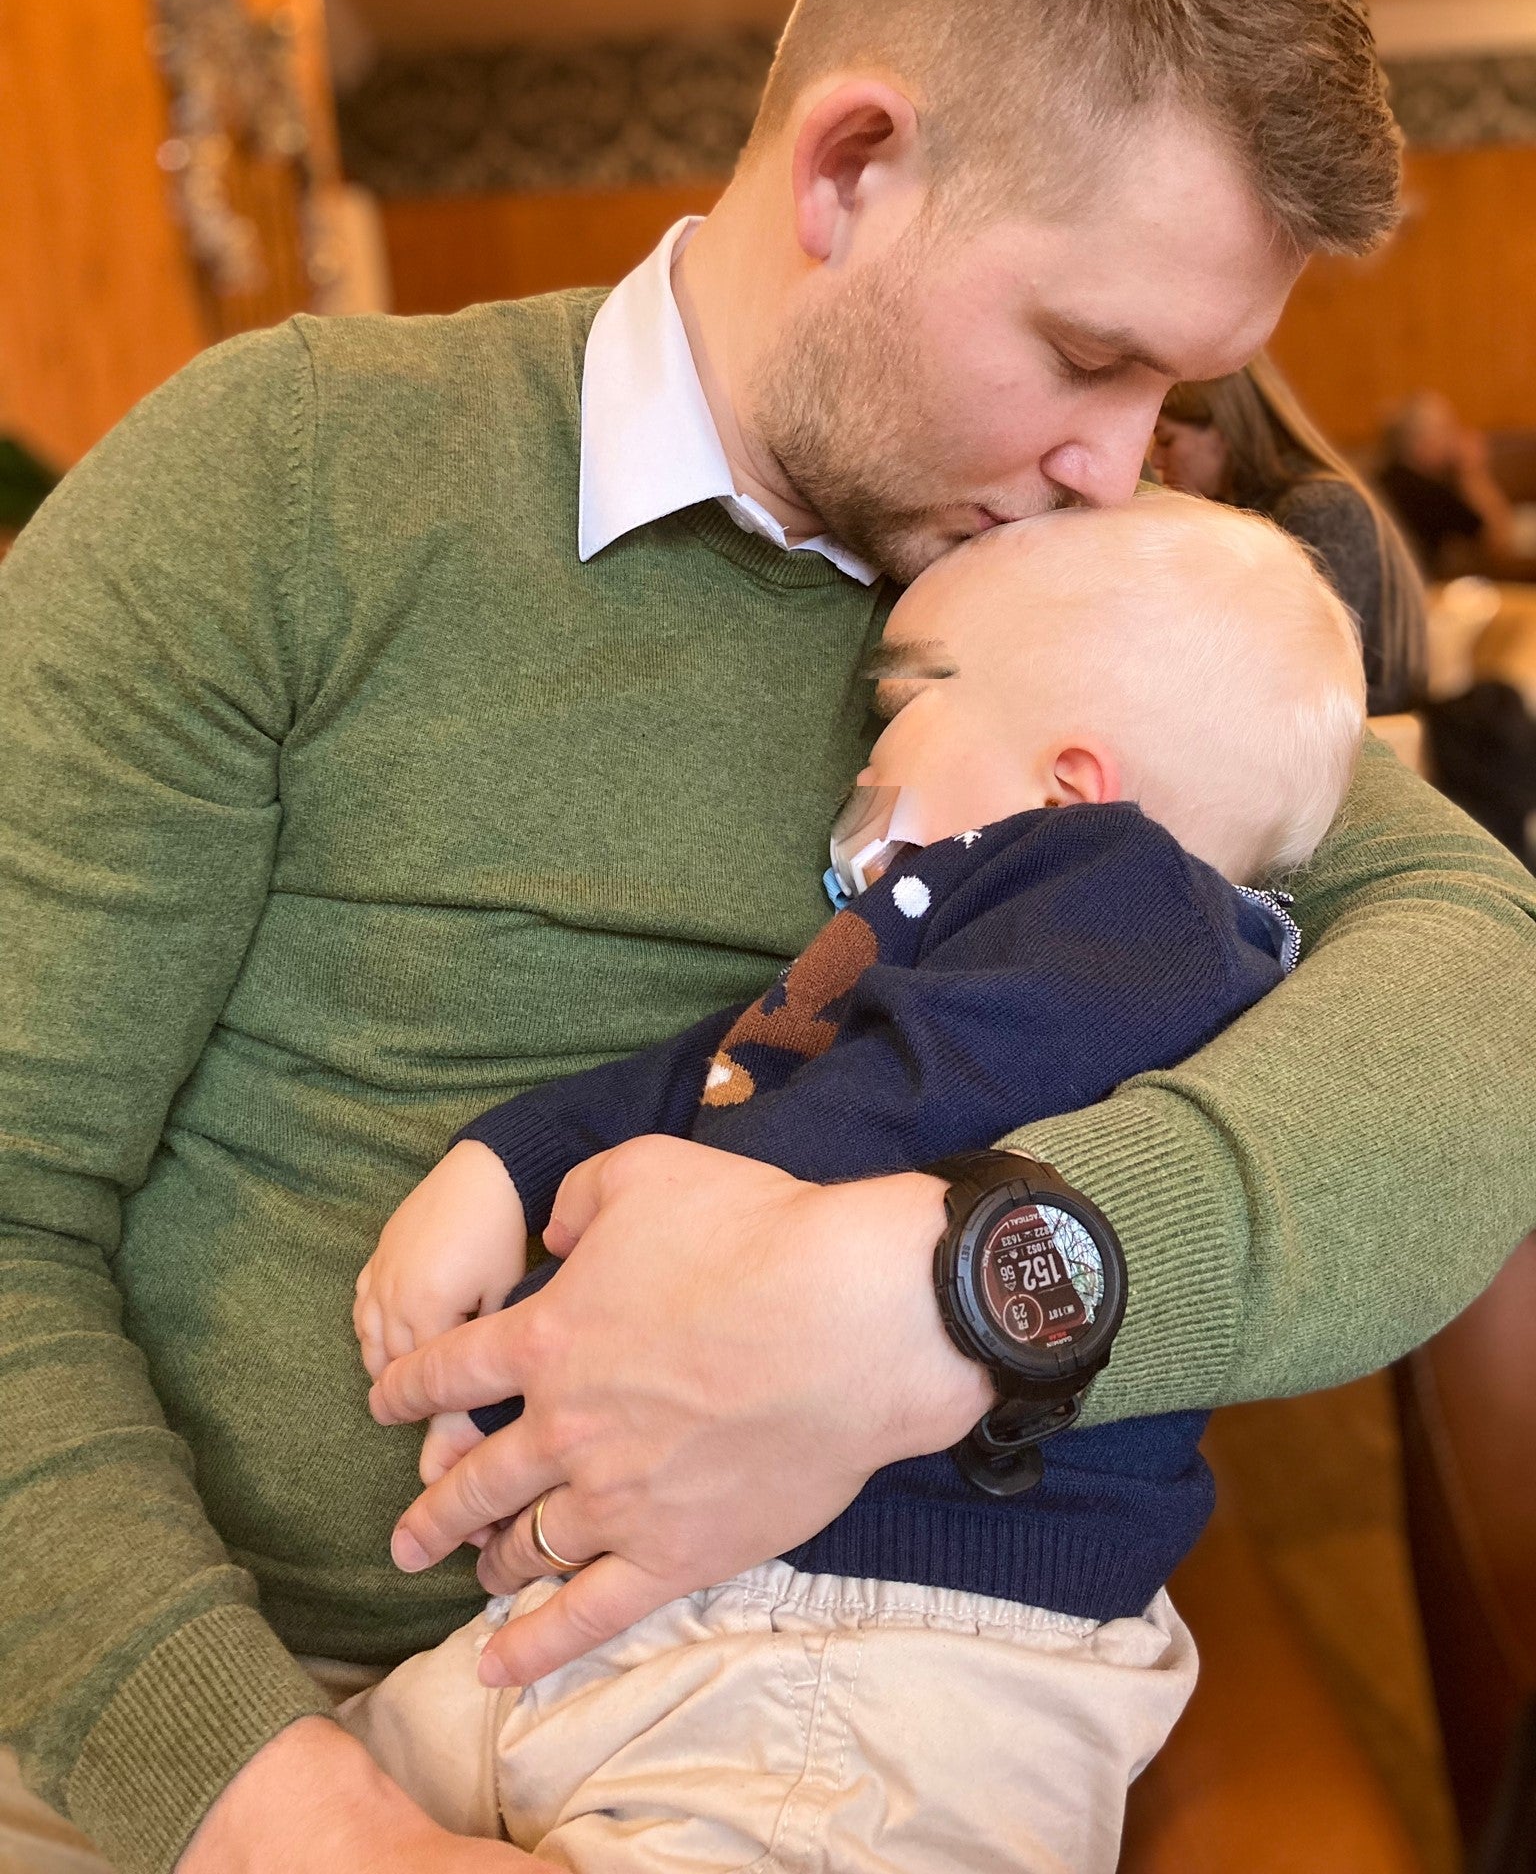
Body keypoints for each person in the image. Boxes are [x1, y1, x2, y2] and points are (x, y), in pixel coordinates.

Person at [3, 0, 1535, 1874]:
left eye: (1178, 384)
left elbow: (1484, 999)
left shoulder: (1097, 612)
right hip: (190, 1742)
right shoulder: (288, 477)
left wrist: (947, 1294)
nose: (1123, 460)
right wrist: (286, 1816)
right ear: (850, 170)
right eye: (1088, 353)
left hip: (827, 1703)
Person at [343, 496, 1366, 1871]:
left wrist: (587, 1319)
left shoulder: (1134, 905)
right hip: (706, 1600)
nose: (864, 752)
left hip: (894, 1645)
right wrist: (504, 1162)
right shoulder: (924, 945)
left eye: (903, 703)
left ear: (1073, 786)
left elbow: (892, 1125)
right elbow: (721, 1070)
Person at [1149, 353, 1425, 714]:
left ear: (1223, 431)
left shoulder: (1320, 509)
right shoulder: (1254, 511)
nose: (1156, 461)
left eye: (1166, 440)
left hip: (1355, 733)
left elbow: (1303, 677)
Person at [1378, 389, 1525, 579]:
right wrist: (1473, 471)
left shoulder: (1384, 479)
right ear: (1423, 442)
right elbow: (1500, 540)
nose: (1457, 438)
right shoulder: (1427, 492)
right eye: (1448, 430)